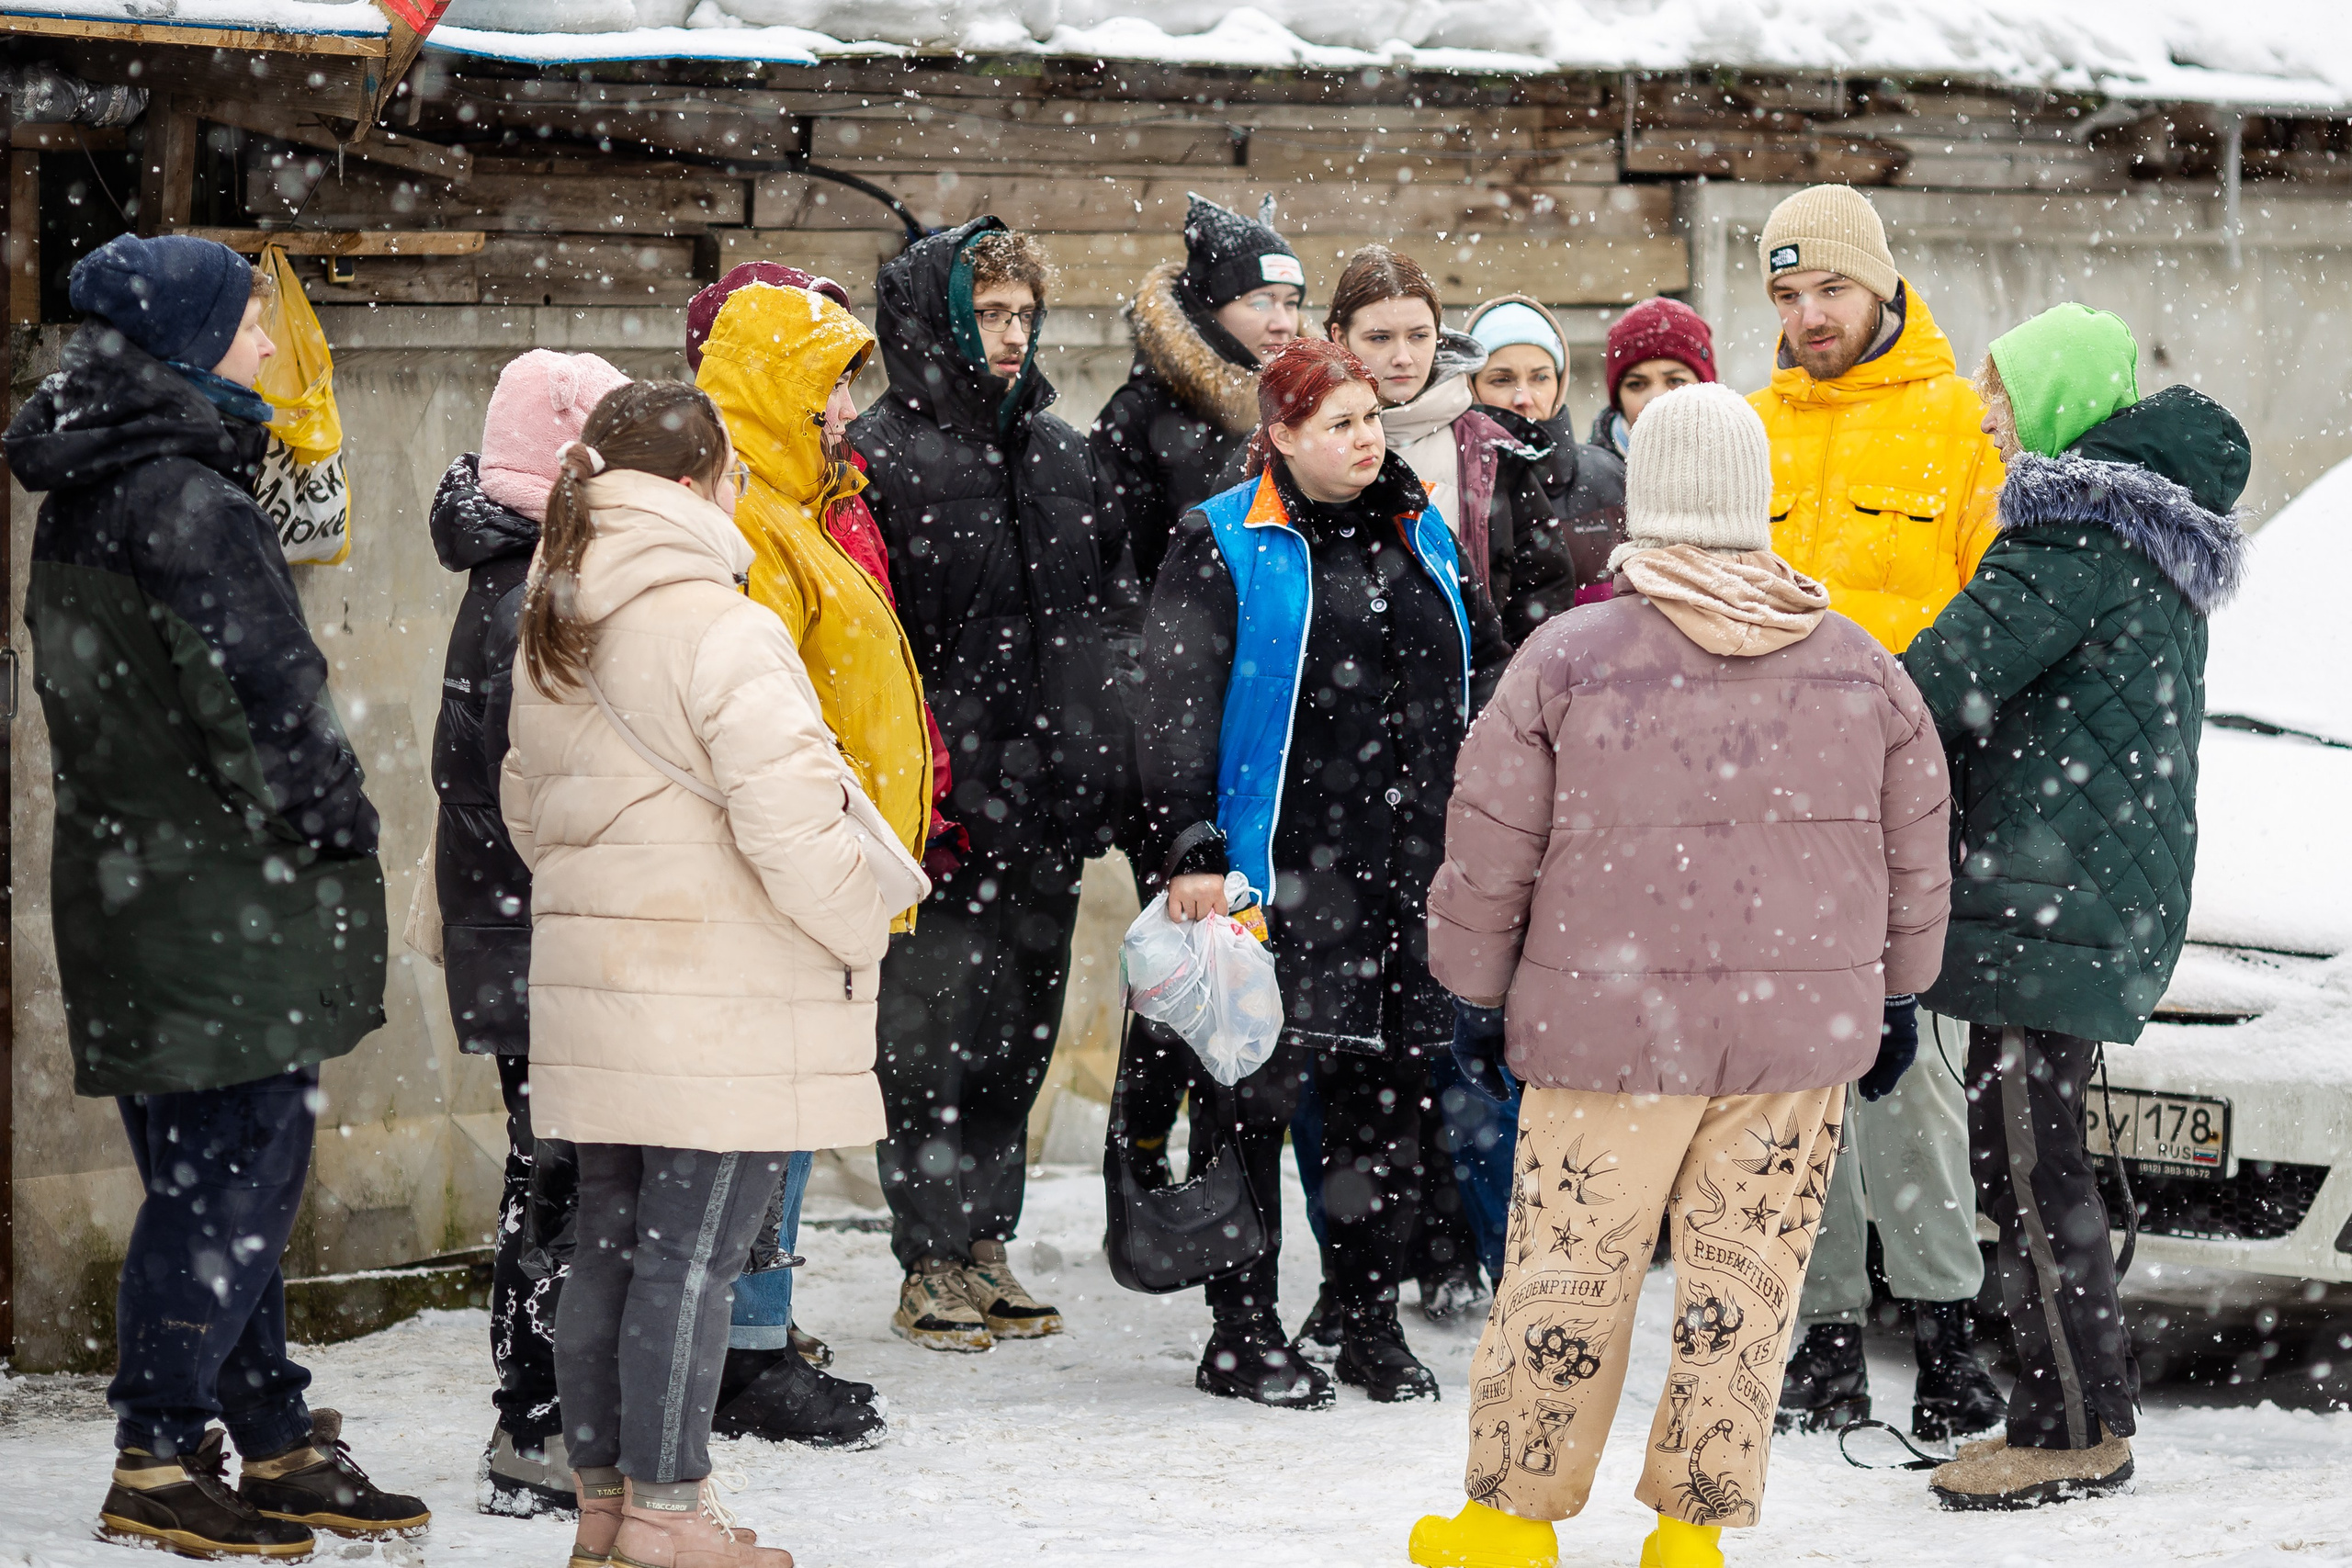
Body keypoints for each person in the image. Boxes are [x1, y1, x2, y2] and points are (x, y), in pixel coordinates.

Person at [1407, 383, 1953, 1568]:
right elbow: (1917, 850)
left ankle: (1507, 1524)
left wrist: (1476, 991)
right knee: (1744, 1286)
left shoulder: (1565, 659)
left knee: (1566, 1271)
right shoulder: (1861, 665)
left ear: (1642, 498)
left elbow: (1489, 846)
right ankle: (1689, 1532)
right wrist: (1898, 992)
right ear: (1757, 500)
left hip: (1603, 1032)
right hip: (1792, 1044)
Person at [7, 231, 428, 1555]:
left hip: (138, 889)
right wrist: (340, 825)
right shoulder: (190, 501)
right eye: (248, 322)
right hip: (224, 896)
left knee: (207, 1177)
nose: (267, 343)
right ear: (189, 344)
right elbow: (270, 706)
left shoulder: (89, 488)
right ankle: (157, 1449)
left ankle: (274, 1434)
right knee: (233, 1183)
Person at [503, 379, 897, 1568]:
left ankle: (608, 1506)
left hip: (603, 986)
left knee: (609, 1246)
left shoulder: (555, 613)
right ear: (695, 483)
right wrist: (867, 919)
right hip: (717, 992)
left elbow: (528, 812)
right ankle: (669, 1514)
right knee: (693, 1256)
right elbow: (795, 828)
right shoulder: (722, 625)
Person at [1903, 307, 2249, 1509]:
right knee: (2041, 1161)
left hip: (2047, 898)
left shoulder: (2066, 544)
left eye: (2001, 394)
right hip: (2084, 896)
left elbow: (1930, 686)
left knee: (2025, 1167)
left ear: (2053, 401)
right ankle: (2079, 1406)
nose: (1987, 416)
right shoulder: (2140, 545)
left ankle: (2067, 1429)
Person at [1140, 339, 1513, 1407]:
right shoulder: (1223, 537)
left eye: (1370, 420)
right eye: (1339, 423)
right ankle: (1241, 1330)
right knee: (1249, 1107)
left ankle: (1363, 1320)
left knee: (1384, 1107)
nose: (1364, 439)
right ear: (1283, 436)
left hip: (1405, 875)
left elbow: (1488, 665)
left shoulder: (1419, 527)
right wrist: (1189, 844)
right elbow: (1168, 706)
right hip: (1273, 875)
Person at [1747, 184, 2008, 1441]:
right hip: (1763, 811)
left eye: (1830, 289)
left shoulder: (1960, 427)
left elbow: (1996, 626)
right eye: (1787, 294)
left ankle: (1950, 1335)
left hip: (1908, 810)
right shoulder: (1749, 429)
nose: (1809, 316)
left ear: (1883, 283)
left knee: (1912, 1083)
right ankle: (1824, 1339)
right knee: (1795, 1083)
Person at [853, 217, 1132, 1353]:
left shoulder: (1064, 455)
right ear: (938, 323)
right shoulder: (876, 456)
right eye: (989, 314)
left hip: (1046, 803)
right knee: (925, 1038)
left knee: (1018, 1031)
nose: (1011, 336)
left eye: (1024, 314)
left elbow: (1110, 619)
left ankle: (984, 1242)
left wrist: (1104, 764)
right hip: (937, 812)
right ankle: (927, 1254)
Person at [693, 264, 944, 1449]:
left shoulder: (800, 508)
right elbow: (768, 717)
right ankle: (745, 1349)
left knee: (787, 1118)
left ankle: (758, 1332)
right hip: (790, 875)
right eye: (830, 387)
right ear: (773, 388)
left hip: (826, 865)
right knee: (768, 1120)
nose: (848, 410)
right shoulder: (752, 520)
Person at [429, 347, 632, 1517]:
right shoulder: (536, 593)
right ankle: (536, 1423)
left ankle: (547, 1413)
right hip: (544, 934)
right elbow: (543, 799)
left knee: (550, 1171)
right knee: (560, 1178)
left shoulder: (517, 570)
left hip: (524, 930)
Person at [1091, 193, 1306, 1217]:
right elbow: (1116, 590)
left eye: (1293, 300)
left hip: (1268, 742)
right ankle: (1141, 1163)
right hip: (1175, 745)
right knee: (1179, 971)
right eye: (1262, 300)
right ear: (1209, 306)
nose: (1282, 318)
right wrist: (1158, 720)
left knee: (1248, 974)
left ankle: (1228, 1189)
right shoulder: (1141, 419)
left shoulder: (1297, 412)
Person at [1588, 295, 1717, 459]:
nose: (1656, 399)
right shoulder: (1587, 473)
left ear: (1706, 389)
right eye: (1636, 384)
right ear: (1618, 400)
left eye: (1676, 381)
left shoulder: (1739, 465)